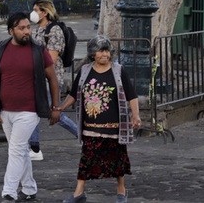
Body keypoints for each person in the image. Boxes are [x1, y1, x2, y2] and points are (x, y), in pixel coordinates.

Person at [0, 12, 61, 202]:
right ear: (11, 31)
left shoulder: (38, 50)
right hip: (5, 110)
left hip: (29, 111)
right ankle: (29, 188)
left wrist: (56, 107)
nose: (27, 31)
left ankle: (9, 193)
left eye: (28, 27)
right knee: (19, 150)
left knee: (16, 149)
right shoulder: (1, 48)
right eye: (22, 28)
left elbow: (52, 79)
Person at [57, 36, 142, 203]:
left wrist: (136, 115)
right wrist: (61, 107)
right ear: (92, 54)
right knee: (86, 159)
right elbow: (74, 94)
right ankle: (78, 192)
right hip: (91, 126)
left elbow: (131, 94)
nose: (104, 54)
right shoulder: (85, 71)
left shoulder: (118, 70)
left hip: (113, 126)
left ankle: (121, 191)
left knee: (117, 160)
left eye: (107, 51)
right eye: (100, 51)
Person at [28, 0, 80, 161]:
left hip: (52, 79)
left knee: (54, 113)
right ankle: (34, 147)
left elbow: (51, 58)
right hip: (38, 78)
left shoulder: (54, 30)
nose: (33, 13)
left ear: (45, 12)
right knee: (36, 111)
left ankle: (84, 137)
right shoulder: (38, 29)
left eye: (36, 10)